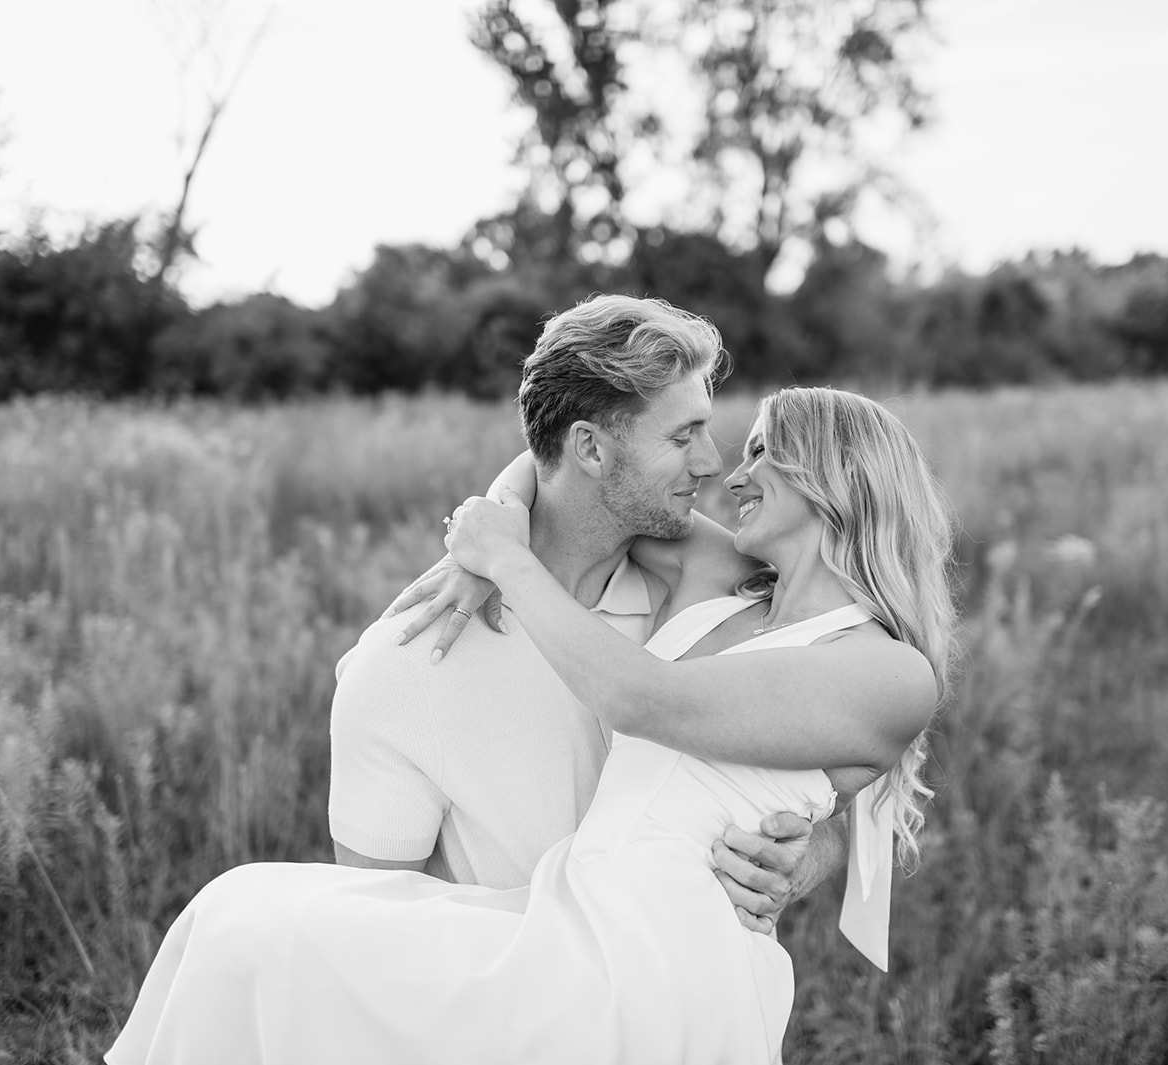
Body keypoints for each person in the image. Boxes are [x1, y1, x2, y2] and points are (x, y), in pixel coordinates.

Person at [106, 385, 956, 1065]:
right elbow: (574, 471)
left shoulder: (890, 672)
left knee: (271, 938)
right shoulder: (723, 576)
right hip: (570, 905)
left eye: (767, 451)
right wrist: (482, 531)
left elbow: (644, 701)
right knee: (240, 917)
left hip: (661, 958)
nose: (732, 473)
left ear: (834, 473)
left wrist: (504, 561)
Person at [329, 294, 845, 929]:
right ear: (592, 450)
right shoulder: (407, 662)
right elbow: (367, 935)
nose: (714, 464)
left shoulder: (723, 607)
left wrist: (799, 859)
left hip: (701, 1013)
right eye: (683, 436)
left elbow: (828, 804)